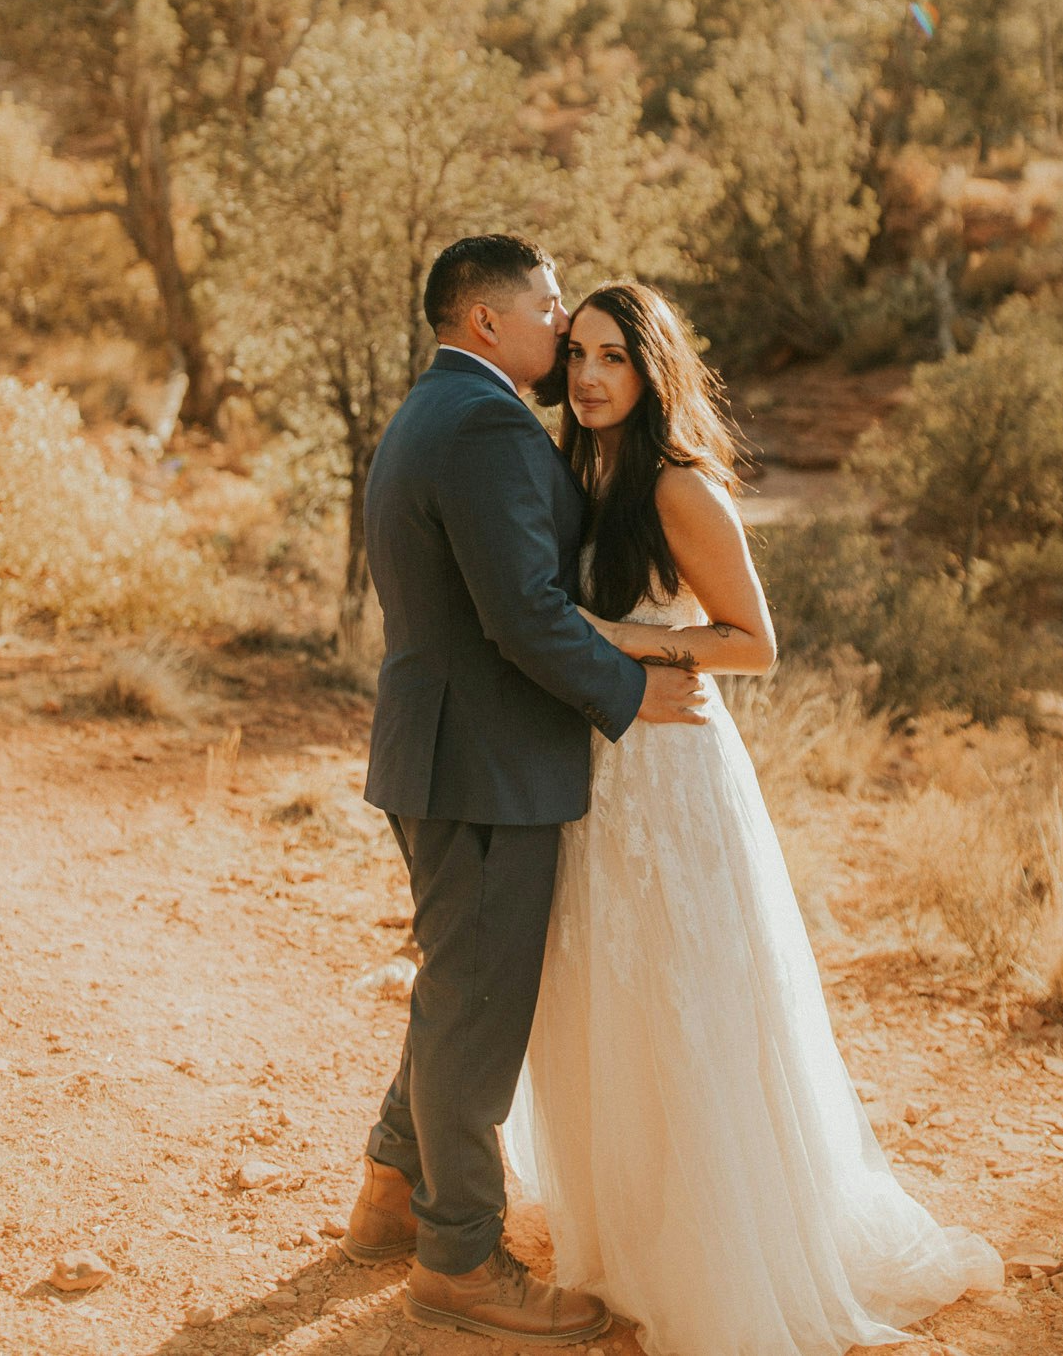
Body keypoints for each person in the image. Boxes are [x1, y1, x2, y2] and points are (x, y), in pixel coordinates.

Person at [505, 281, 1004, 1356]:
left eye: (614, 360)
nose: (589, 377)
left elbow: (754, 644)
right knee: (608, 996)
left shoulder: (680, 488)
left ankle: (717, 1255)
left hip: (673, 775)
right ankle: (631, 1235)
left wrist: (613, 637)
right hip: (594, 769)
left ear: (652, 373)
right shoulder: (575, 468)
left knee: (688, 1000)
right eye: (578, 354)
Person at [345, 237, 707, 1346]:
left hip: (449, 751)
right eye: (551, 307)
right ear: (488, 319)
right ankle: (459, 1257)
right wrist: (632, 690)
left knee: (460, 983)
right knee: (475, 1004)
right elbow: (523, 615)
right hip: (486, 764)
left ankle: (391, 1196)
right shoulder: (492, 422)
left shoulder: (433, 410)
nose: (563, 328)